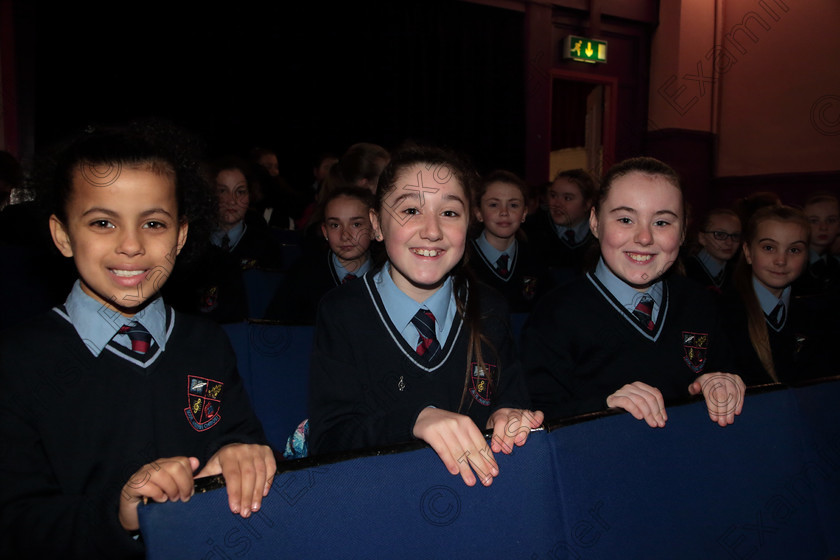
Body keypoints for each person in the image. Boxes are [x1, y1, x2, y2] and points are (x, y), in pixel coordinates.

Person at [0, 122, 276, 559]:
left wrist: (242, 455)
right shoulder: (16, 362)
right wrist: (122, 515)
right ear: (63, 235)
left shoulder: (206, 343)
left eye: (153, 222)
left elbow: (236, 435)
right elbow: (18, 524)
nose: (131, 245)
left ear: (181, 235)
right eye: (103, 222)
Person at [308, 145, 543, 487]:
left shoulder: (490, 307)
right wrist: (414, 420)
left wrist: (508, 418)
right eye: (411, 210)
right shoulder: (342, 312)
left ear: (470, 223)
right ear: (376, 224)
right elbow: (328, 442)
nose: (432, 230)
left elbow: (511, 398)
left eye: (449, 213)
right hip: (382, 502)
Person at [523, 157, 745, 428]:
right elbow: (536, 415)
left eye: (662, 223)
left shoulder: (701, 303)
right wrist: (603, 408)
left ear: (684, 230)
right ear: (595, 222)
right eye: (626, 219)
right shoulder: (555, 313)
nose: (644, 238)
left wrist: (722, 383)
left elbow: (724, 374)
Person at [724, 205, 832, 384]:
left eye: (794, 250)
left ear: (807, 256)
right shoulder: (725, 315)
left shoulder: (816, 315)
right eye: (769, 248)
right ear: (748, 252)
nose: (781, 260)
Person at [264, 186, 375, 324]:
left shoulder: (389, 276)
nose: (345, 235)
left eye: (356, 224)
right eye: (335, 225)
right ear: (325, 231)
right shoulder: (304, 273)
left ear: (373, 227)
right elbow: (277, 327)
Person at [469, 170, 548, 312]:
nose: (504, 212)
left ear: (524, 213)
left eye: (513, 205)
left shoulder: (537, 259)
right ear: (478, 213)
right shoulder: (463, 261)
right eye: (493, 205)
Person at [524, 168, 598, 286]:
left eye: (567, 198)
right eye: (553, 195)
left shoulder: (599, 236)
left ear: (587, 203)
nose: (557, 204)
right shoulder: (532, 229)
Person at [683, 208, 741, 294]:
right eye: (720, 235)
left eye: (735, 236)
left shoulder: (738, 275)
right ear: (702, 238)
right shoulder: (685, 271)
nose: (729, 242)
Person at [795, 192, 840, 296]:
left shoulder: (834, 262)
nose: (823, 227)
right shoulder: (796, 261)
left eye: (831, 220)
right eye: (814, 221)